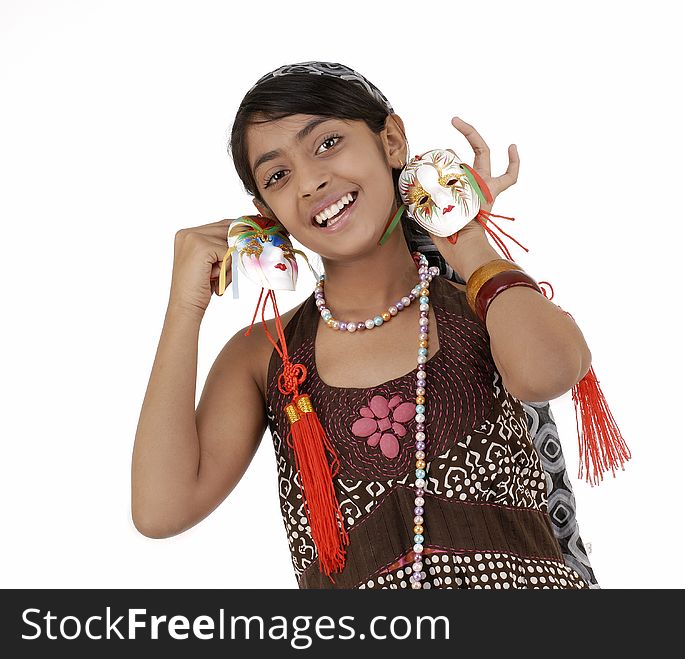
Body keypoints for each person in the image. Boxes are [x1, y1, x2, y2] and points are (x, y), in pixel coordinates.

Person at [132, 61, 601, 589]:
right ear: (266, 212)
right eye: (278, 176)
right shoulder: (267, 356)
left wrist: (464, 234)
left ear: (393, 142)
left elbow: (550, 372)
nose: (311, 181)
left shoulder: (483, 305)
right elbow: (160, 510)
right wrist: (183, 306)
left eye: (328, 143)